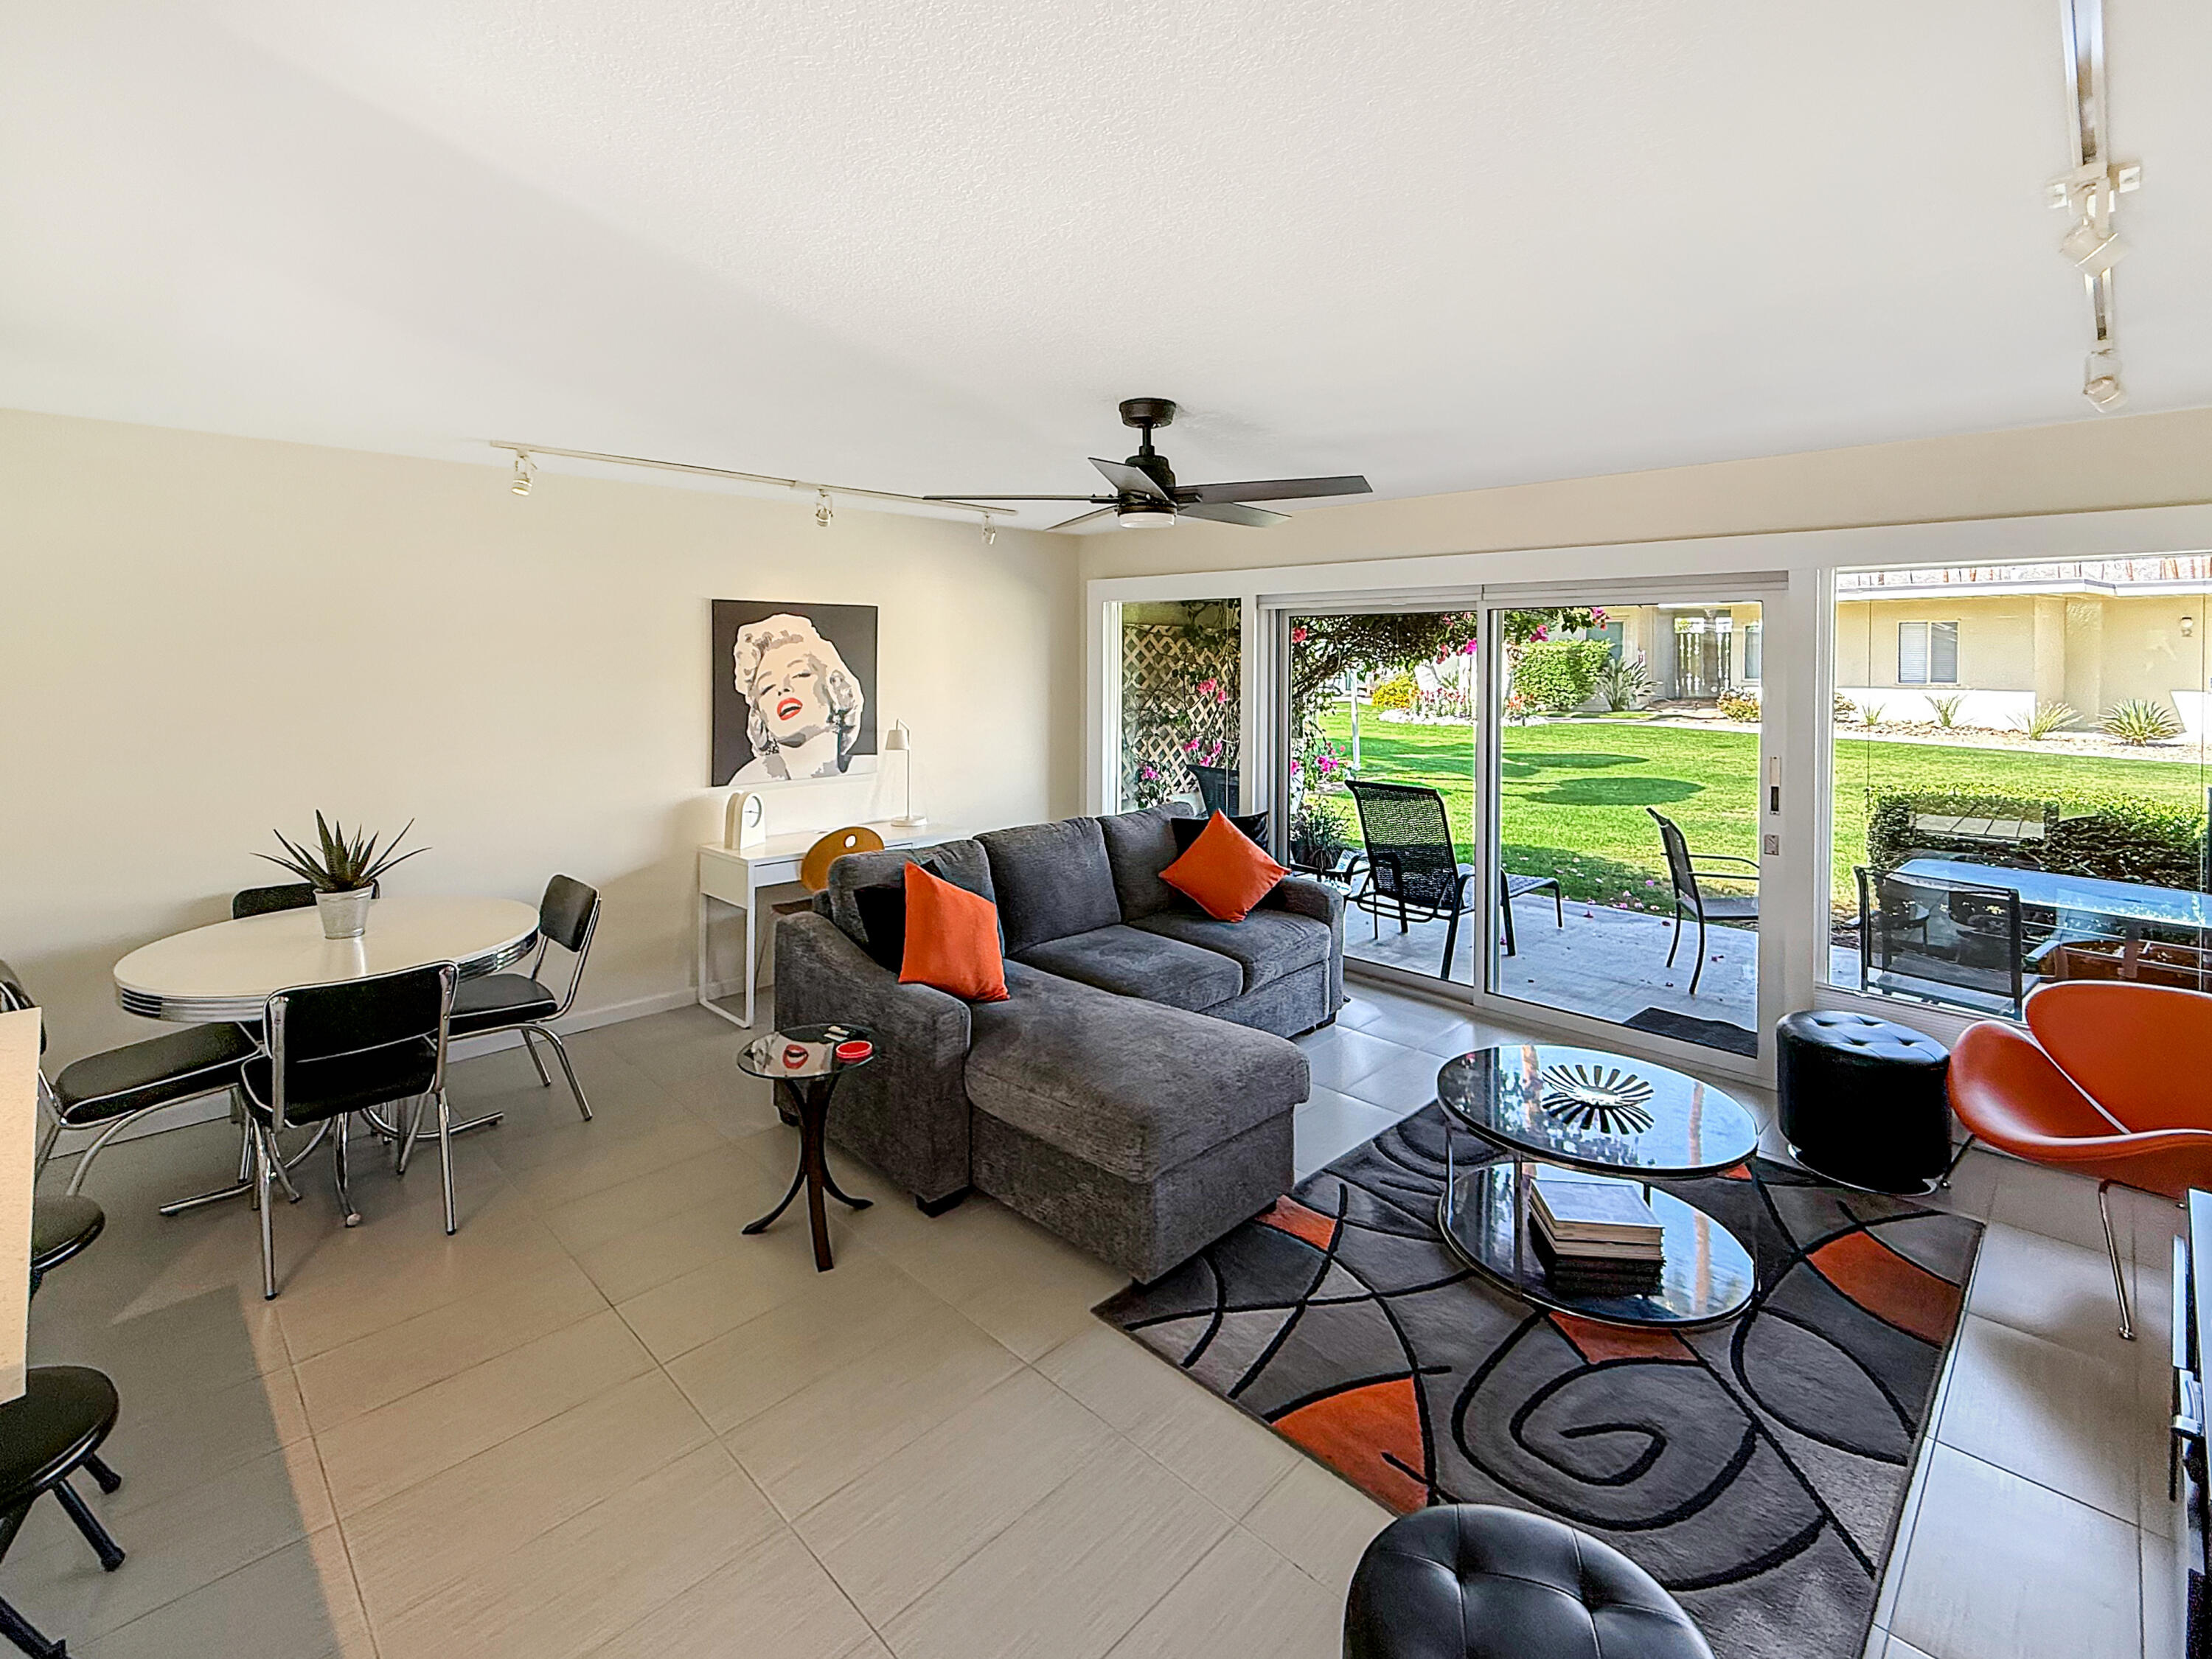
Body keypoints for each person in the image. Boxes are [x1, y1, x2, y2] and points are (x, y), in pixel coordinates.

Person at [731, 614, 867, 781]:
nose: (782, 688)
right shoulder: (747, 781)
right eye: (767, 688)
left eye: (800, 674)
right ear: (759, 716)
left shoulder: (873, 772)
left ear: (836, 688)